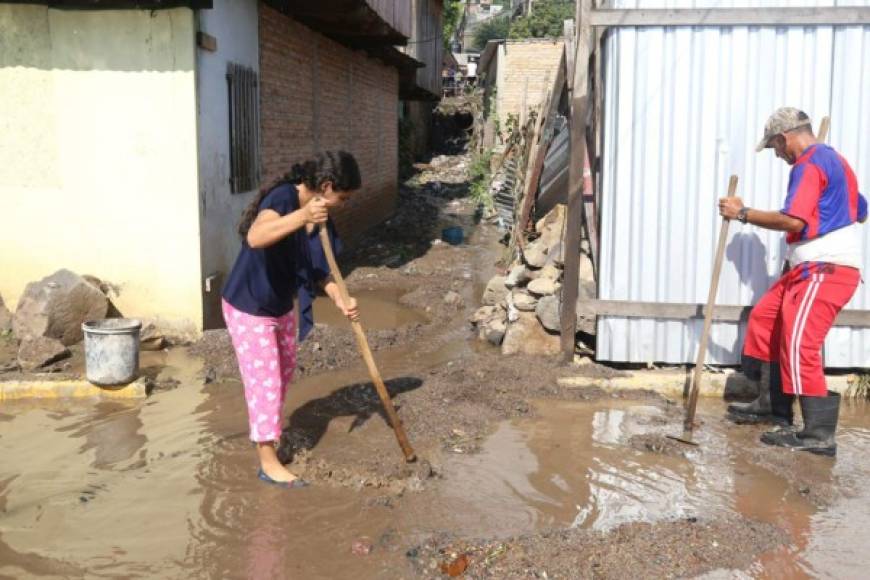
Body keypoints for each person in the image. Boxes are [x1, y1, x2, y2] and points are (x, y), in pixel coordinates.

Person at [720, 107, 866, 457]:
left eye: (774, 148)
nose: (778, 155)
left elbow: (793, 221)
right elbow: (860, 210)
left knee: (800, 344)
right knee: (765, 319)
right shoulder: (835, 163)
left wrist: (742, 213)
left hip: (825, 269)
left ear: (784, 138)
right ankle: (773, 407)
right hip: (806, 268)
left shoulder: (809, 164)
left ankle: (817, 435)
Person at [221, 151, 362, 487]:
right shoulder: (284, 197)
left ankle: (269, 437)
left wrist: (342, 298)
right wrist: (302, 216)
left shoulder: (321, 216)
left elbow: (319, 267)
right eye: (341, 197)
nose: (342, 204)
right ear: (326, 186)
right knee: (265, 382)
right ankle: (268, 463)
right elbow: (256, 237)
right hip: (249, 306)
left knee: (281, 376)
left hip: (280, 304)